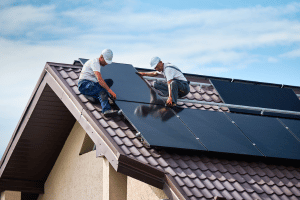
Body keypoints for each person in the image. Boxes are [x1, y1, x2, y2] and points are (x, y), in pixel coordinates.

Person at [78, 49, 118, 117]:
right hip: (84, 85)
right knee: (102, 91)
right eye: (105, 61)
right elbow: (100, 80)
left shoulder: (98, 64)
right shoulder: (95, 62)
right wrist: (110, 91)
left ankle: (93, 97)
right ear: (101, 57)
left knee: (109, 81)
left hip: (91, 84)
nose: (106, 63)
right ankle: (106, 110)